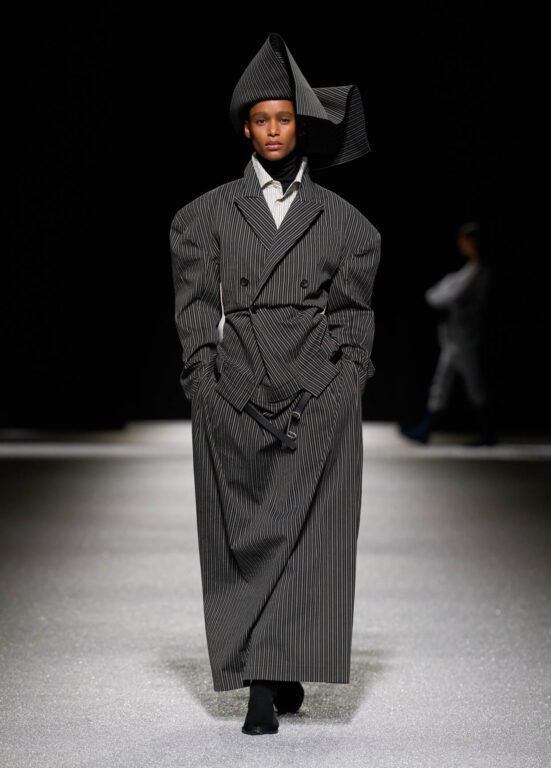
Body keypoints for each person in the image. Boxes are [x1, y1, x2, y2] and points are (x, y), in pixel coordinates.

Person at [169, 33, 381, 735]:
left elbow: (353, 315)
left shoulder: (346, 224)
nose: (271, 130)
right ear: (245, 128)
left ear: (301, 126)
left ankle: (270, 678)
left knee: (310, 536)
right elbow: (194, 308)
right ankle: (265, 670)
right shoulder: (203, 216)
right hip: (236, 389)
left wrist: (348, 381)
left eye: (283, 118)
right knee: (245, 535)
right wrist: (203, 382)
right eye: (260, 119)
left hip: (317, 392)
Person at [401, 221, 495, 445]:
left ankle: (488, 432)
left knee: (474, 385)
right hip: (454, 337)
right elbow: (435, 294)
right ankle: (425, 429)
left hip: (467, 338)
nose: (462, 245)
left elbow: (450, 297)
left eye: (465, 241)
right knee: (442, 383)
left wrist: (444, 293)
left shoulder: (480, 272)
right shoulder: (467, 270)